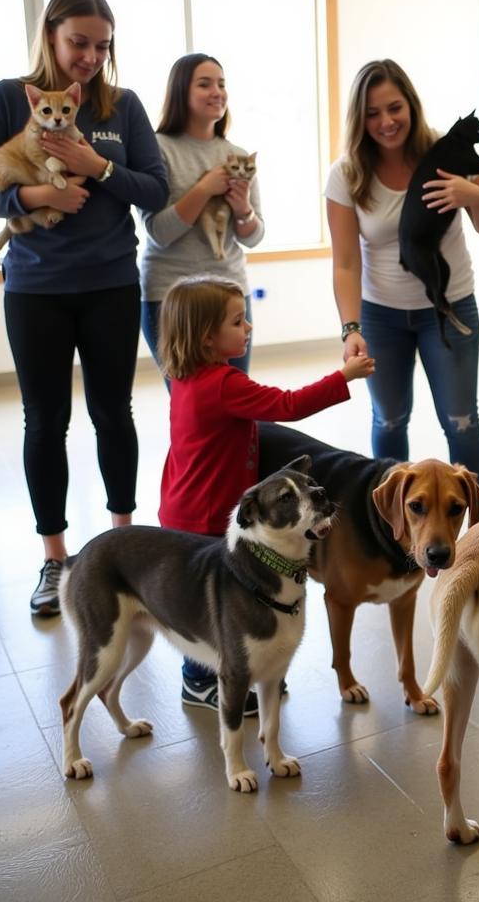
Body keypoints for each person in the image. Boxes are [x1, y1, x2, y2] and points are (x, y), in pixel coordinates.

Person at [0, 0, 168, 617]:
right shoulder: (8, 97)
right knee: (45, 420)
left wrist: (96, 165)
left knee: (114, 413)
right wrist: (35, 199)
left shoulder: (122, 106)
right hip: (35, 291)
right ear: (51, 34)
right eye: (78, 42)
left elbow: (156, 190)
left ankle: (121, 546)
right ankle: (55, 560)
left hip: (110, 284)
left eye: (101, 45)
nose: (89, 56)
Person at [156, 274, 373, 712]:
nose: (248, 328)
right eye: (238, 322)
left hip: (181, 502)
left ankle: (225, 671)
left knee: (201, 597)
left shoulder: (184, 374)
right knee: (212, 600)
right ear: (206, 336)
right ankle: (200, 680)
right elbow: (288, 405)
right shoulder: (223, 383)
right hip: (207, 513)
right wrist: (344, 376)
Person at [325, 59, 479, 493]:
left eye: (394, 108)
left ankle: (478, 532)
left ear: (411, 105)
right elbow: (346, 262)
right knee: (388, 419)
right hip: (381, 315)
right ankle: (392, 529)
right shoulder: (347, 173)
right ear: (360, 118)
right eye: (372, 113)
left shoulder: (450, 152)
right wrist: (351, 328)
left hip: (449, 308)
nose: (386, 122)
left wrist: (472, 196)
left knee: (461, 422)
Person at [140, 53, 264, 377]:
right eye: (205, 84)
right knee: (191, 406)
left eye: (221, 84)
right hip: (171, 297)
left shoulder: (238, 155)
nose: (217, 92)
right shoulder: (155, 149)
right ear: (181, 91)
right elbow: (159, 232)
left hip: (230, 297)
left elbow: (254, 236)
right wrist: (204, 189)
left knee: (236, 402)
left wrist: (243, 210)